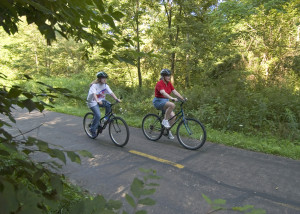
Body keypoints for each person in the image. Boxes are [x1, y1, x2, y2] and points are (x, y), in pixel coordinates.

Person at [152, 69, 185, 139]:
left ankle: (167, 131)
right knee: (172, 105)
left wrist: (182, 98)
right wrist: (172, 98)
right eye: (167, 76)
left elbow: (175, 92)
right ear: (163, 76)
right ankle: (165, 121)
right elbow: (163, 93)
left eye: (169, 75)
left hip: (166, 101)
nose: (169, 77)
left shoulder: (169, 83)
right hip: (158, 101)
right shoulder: (159, 84)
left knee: (173, 117)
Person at [87, 71, 121, 138]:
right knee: (98, 115)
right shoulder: (94, 86)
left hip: (101, 101)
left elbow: (111, 93)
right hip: (92, 102)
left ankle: (105, 119)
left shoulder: (105, 85)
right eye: (103, 78)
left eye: (105, 78)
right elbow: (94, 94)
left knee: (109, 105)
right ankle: (92, 129)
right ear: (99, 79)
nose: (105, 79)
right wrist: (97, 101)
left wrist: (116, 99)